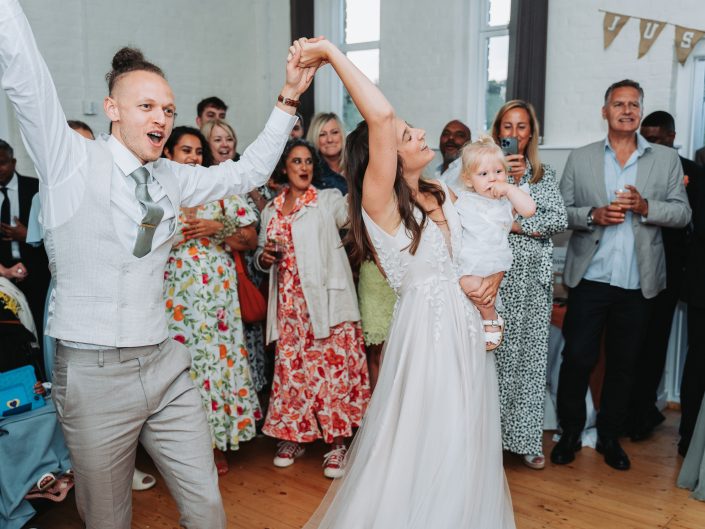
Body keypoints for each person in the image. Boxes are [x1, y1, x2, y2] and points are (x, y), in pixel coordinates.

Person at [0, 2, 316, 526]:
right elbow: (24, 74)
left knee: (207, 504)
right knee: (108, 518)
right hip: (94, 375)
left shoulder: (172, 177)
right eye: (146, 106)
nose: (161, 118)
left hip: (165, 366)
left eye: (167, 109)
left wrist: (289, 96)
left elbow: (250, 171)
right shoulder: (69, 163)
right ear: (113, 108)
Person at [295, 38, 514, 528]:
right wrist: (331, 52)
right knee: (429, 431)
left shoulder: (441, 191)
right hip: (426, 331)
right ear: (385, 156)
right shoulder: (381, 202)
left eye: (414, 131)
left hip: (466, 327)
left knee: (465, 432)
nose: (417, 134)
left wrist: (493, 280)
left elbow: (488, 240)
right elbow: (382, 115)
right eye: (408, 134)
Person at [553, 80, 691, 471]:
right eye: (619, 103)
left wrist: (647, 206)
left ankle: (610, 436)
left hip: (638, 283)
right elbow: (561, 212)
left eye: (634, 104)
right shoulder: (580, 158)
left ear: (640, 112)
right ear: (605, 111)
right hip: (590, 280)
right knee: (577, 358)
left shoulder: (665, 160)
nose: (627, 110)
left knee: (623, 364)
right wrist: (591, 215)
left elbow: (683, 214)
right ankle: (570, 433)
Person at [255, 138, 370, 478]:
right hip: (289, 311)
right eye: (296, 162)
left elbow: (352, 213)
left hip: (326, 305)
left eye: (308, 162)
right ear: (283, 169)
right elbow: (263, 255)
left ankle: (336, 445)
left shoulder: (327, 201)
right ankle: (293, 435)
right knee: (293, 376)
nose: (304, 167)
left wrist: (364, 173)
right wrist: (264, 258)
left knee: (332, 376)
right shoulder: (270, 210)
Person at [163, 126, 261, 476]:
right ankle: (184, 449)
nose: (192, 157)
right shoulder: (157, 191)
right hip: (176, 302)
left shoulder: (217, 187)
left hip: (218, 302)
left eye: (197, 152)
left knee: (217, 365)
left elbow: (250, 238)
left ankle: (218, 443)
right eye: (184, 151)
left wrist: (214, 228)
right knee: (182, 371)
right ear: (169, 155)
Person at [490, 99, 568, 470]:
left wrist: (518, 225)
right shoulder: (485, 172)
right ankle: (488, 439)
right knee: (493, 360)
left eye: (522, 127)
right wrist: (502, 179)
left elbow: (558, 220)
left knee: (530, 362)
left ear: (531, 134)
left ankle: (525, 438)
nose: (515, 134)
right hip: (495, 281)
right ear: (498, 131)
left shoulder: (543, 175)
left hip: (533, 285)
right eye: (508, 126)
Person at [629, 111, 703, 442]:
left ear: (672, 137)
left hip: (677, 273)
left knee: (657, 344)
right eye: (646, 138)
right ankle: (635, 411)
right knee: (634, 344)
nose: (651, 144)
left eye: (657, 138)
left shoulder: (694, 172)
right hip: (638, 267)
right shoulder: (639, 166)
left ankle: (646, 411)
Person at [455, 136, 536, 349]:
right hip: (470, 257)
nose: (492, 178)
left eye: (498, 172)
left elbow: (529, 210)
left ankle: (491, 317)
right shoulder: (464, 199)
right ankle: (482, 319)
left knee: (483, 293)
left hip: (494, 258)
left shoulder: (508, 199)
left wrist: (510, 189)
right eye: (483, 174)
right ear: (469, 179)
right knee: (468, 285)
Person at [0, 139, 50, 353]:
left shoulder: (35, 189)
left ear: (14, 162)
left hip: (36, 272)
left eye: (2, 162)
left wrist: (26, 234)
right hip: (3, 277)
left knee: (40, 330)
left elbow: (53, 233)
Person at [307, 112, 347, 193]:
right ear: (315, 139)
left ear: (342, 135)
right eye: (322, 134)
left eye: (334, 132)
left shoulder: (357, 164)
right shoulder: (311, 173)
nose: (330, 140)